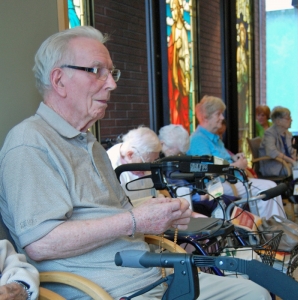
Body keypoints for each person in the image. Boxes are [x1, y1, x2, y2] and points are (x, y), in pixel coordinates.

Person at [0, 26, 271, 300]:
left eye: (111, 72)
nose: (112, 84)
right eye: (97, 71)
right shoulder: (30, 143)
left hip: (149, 274)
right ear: (59, 80)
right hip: (108, 291)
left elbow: (111, 216)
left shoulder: (89, 144)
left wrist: (160, 215)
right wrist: (135, 220)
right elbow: (41, 243)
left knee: (255, 293)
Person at [187, 95, 286, 220]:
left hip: (229, 180)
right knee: (266, 188)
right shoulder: (198, 140)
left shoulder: (214, 138)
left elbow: (220, 159)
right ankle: (269, 229)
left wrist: (234, 158)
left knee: (271, 186)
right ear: (206, 117)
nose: (222, 118)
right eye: (219, 114)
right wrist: (236, 165)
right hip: (214, 186)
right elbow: (207, 169)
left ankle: (277, 226)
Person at [107, 126, 161, 205]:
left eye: (154, 160)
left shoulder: (139, 156)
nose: (149, 168)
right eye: (146, 163)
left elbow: (155, 191)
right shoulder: (110, 167)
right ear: (130, 155)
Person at [168, 0, 190, 132]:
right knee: (175, 103)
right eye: (173, 10)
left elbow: (185, 54)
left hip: (180, 72)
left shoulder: (180, 29)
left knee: (181, 104)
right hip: (175, 72)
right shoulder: (174, 29)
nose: (175, 13)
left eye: (176, 9)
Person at [258, 106, 296, 177]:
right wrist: (292, 161)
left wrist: (295, 157)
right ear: (278, 121)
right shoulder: (269, 133)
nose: (291, 120)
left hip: (287, 164)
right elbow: (272, 152)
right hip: (274, 167)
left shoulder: (288, 133)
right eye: (288, 118)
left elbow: (292, 151)